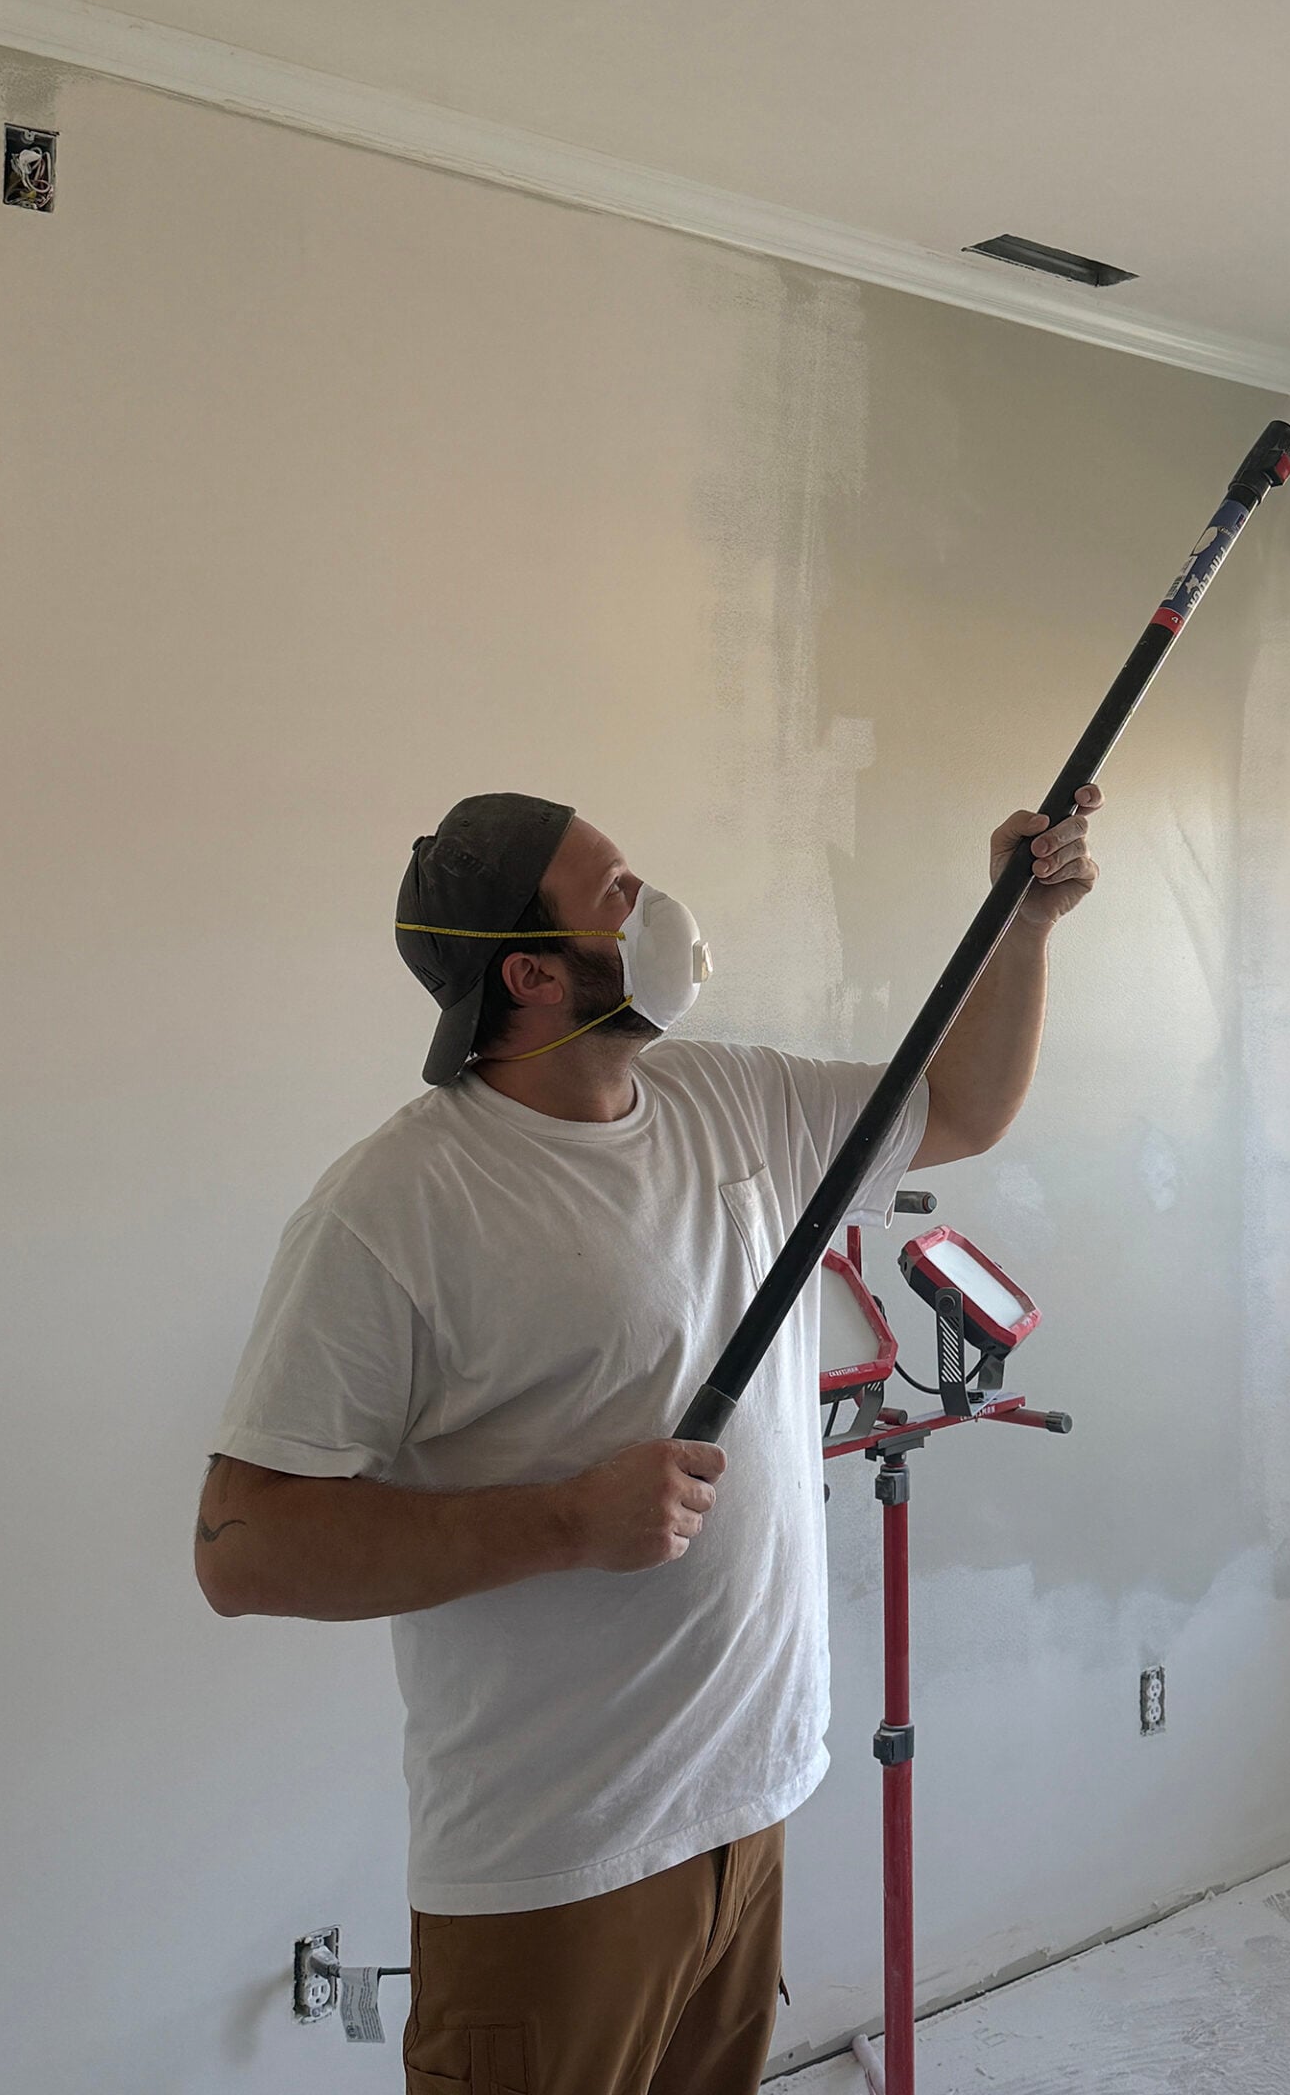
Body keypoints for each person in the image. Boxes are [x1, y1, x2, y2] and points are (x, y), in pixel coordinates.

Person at [196, 783, 1102, 2094]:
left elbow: (960, 1108)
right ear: (533, 976)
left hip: (748, 1807)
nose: (652, 903)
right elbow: (243, 1544)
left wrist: (1021, 928)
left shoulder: (731, 1101)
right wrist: (565, 1519)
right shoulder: (396, 1207)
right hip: (558, 1866)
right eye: (613, 891)